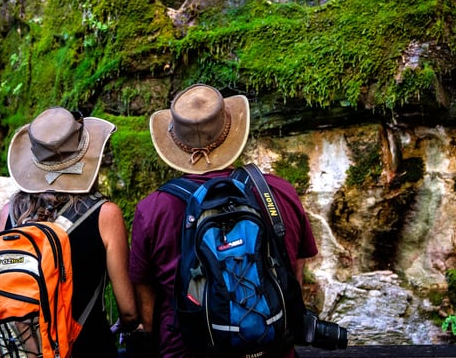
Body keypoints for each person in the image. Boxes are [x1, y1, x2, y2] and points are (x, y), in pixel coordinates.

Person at [129, 84, 319, 358]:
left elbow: (146, 315)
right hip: (272, 349)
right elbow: (293, 280)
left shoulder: (152, 209)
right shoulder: (279, 192)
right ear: (231, 132)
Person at [0, 107, 139, 358]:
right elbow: (127, 310)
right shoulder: (106, 215)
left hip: (23, 348)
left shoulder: (9, 212)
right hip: (87, 346)